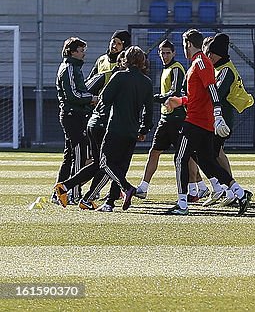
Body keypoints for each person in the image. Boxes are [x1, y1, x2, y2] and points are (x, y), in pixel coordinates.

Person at [164, 29, 252, 216]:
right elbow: (197, 96)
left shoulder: (200, 62)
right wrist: (179, 101)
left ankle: (182, 203)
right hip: (202, 121)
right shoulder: (200, 63)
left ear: (188, 44)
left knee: (180, 158)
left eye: (184, 46)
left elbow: (212, 89)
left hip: (196, 121)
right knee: (207, 161)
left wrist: (218, 113)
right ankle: (240, 193)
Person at [55, 46, 153, 212]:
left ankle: (123, 189)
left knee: (105, 163)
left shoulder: (119, 77)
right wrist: (143, 130)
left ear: (126, 60)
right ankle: (102, 200)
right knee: (119, 166)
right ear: (142, 62)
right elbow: (149, 111)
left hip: (114, 128)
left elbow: (104, 99)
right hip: (132, 131)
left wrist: (97, 118)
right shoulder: (147, 82)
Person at [203, 33, 255, 205]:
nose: (209, 56)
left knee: (210, 155)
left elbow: (216, 94)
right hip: (219, 119)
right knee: (216, 153)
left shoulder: (226, 71)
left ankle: (228, 189)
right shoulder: (221, 68)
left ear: (219, 53)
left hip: (222, 120)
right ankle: (229, 189)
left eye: (211, 53)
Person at [136, 40, 186, 200]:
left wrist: (152, 98)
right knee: (155, 151)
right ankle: (143, 187)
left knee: (186, 155)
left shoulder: (177, 68)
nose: (165, 56)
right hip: (166, 118)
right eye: (162, 53)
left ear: (174, 53)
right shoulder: (165, 70)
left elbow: (175, 92)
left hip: (177, 117)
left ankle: (205, 187)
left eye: (167, 53)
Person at [54, 37, 97, 205]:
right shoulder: (69, 68)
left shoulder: (73, 67)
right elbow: (73, 94)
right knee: (79, 151)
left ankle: (58, 191)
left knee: (69, 155)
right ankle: (73, 193)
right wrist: (92, 98)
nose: (83, 53)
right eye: (80, 50)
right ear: (72, 51)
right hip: (73, 115)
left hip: (73, 114)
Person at [87, 30, 131, 94]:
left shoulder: (124, 63)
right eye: (113, 42)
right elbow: (91, 79)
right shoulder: (101, 59)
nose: (114, 46)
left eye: (119, 44)